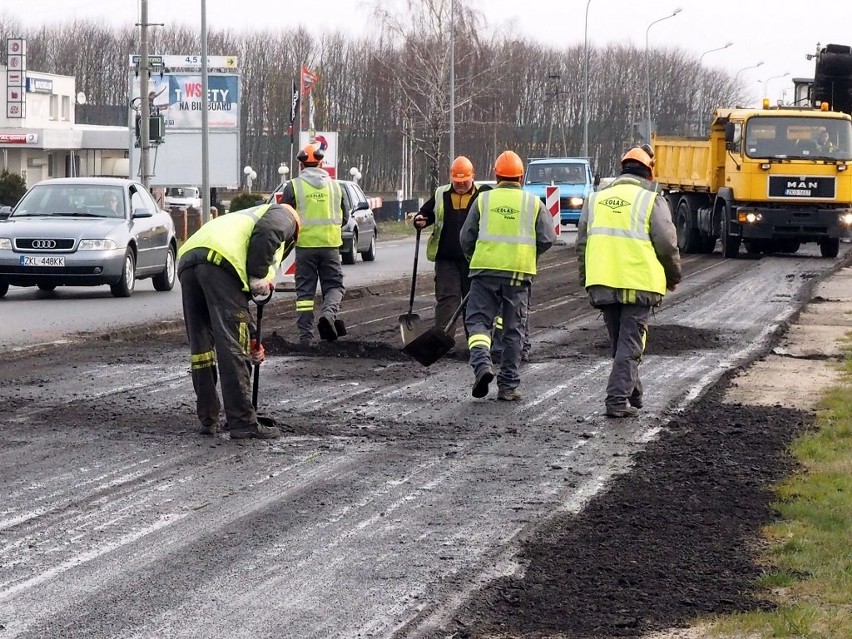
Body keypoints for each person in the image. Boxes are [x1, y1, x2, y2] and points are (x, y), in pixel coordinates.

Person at [177, 201, 300, 439]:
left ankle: (208, 418)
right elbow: (269, 232)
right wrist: (258, 275)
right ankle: (242, 422)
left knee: (201, 347)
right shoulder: (285, 215)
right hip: (220, 263)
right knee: (234, 346)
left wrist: (253, 337)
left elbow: (237, 311)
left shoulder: (243, 219)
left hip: (190, 262)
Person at [576, 145, 682, 418]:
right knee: (630, 345)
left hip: (602, 281)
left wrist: (586, 276)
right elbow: (667, 244)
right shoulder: (651, 199)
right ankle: (616, 400)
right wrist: (673, 276)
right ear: (648, 171)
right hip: (639, 281)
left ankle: (632, 391)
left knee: (620, 343)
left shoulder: (597, 198)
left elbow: (582, 242)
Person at [460, 150, 556, 401]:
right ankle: (508, 386)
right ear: (521, 177)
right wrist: (527, 255)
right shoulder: (533, 203)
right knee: (514, 330)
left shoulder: (483, 200)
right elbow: (548, 238)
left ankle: (482, 365)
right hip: (517, 274)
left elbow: (465, 238)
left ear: (496, 175)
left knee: (478, 323)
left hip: (484, 272)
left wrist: (475, 259)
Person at [413, 156, 489, 344]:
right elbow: (427, 212)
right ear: (451, 178)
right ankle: (443, 341)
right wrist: (421, 219)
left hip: (474, 259)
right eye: (457, 182)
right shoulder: (441, 193)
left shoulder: (485, 195)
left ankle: (476, 343)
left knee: (474, 303)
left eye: (464, 181)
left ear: (473, 176)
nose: (461, 185)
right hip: (446, 258)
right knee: (447, 299)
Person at [278, 143, 349, 345]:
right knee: (334, 286)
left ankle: (305, 337)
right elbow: (344, 217)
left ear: (301, 165)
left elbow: (283, 216)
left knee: (305, 294)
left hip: (305, 248)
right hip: (330, 246)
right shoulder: (336, 186)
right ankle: (328, 314)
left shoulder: (293, 186)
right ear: (321, 163)